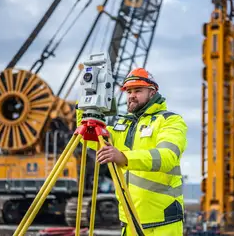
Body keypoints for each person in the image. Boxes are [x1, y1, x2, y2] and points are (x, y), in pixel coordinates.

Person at [76, 67, 188, 236]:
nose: (131, 96)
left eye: (138, 90)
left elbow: (167, 157)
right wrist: (85, 106)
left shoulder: (169, 121)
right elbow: (90, 139)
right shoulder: (123, 125)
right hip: (129, 222)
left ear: (152, 92)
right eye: (128, 91)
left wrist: (124, 157)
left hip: (162, 224)